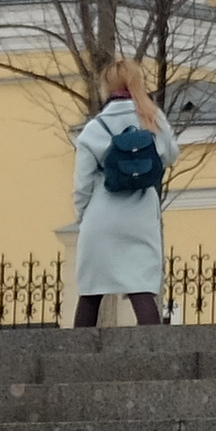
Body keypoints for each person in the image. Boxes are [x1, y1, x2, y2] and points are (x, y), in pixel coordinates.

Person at [67, 56, 171, 329]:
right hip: (140, 215)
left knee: (91, 292)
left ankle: (77, 351)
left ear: (107, 87)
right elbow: (171, 154)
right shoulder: (152, 118)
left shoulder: (94, 128)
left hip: (101, 217)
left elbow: (82, 184)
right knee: (141, 289)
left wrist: (82, 216)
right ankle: (154, 349)